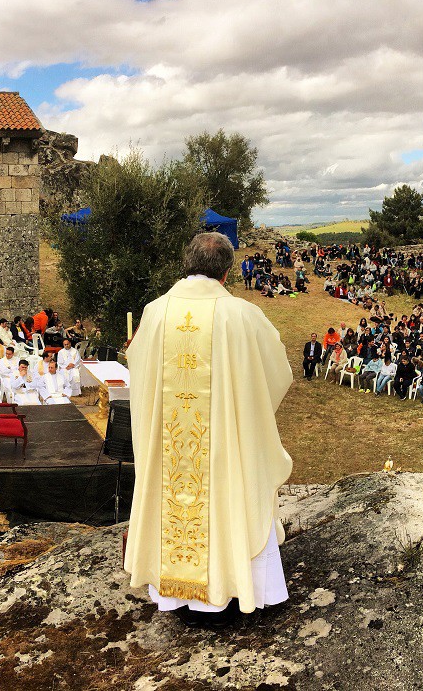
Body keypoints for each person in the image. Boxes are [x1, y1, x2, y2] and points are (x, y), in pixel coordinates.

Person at [126, 232, 293, 625]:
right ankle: (231, 590)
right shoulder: (243, 315)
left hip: (171, 450)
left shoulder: (155, 312)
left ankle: (176, 596)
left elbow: (139, 371)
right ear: (227, 270)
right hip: (223, 445)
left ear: (186, 262)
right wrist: (244, 413)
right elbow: (277, 374)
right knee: (229, 497)